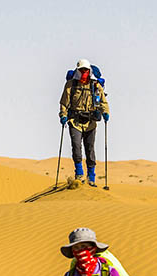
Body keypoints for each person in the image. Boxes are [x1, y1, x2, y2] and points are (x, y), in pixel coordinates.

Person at [59, 59, 109, 187]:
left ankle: (91, 177)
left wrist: (105, 112)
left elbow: (103, 102)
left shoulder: (95, 85)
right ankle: (79, 174)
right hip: (74, 121)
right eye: (81, 70)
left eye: (85, 70)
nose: (83, 72)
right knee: (76, 147)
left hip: (90, 122)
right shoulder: (71, 84)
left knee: (90, 150)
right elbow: (64, 102)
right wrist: (63, 115)